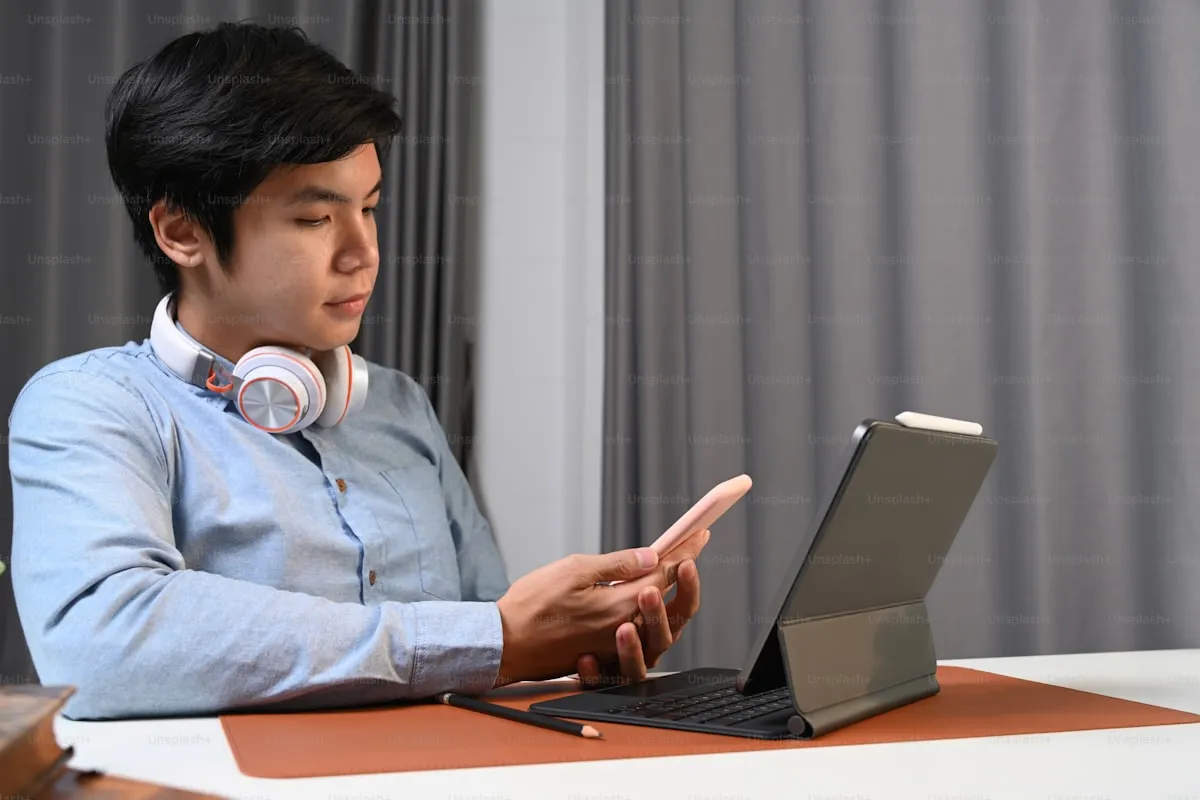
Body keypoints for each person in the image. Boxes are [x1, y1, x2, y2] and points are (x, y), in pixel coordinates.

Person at [6, 21, 705, 721]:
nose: (363, 253)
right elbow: (101, 646)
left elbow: (492, 640)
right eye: (315, 219)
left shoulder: (399, 406)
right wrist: (495, 639)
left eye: (368, 208)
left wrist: (576, 650)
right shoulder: (91, 406)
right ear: (182, 230)